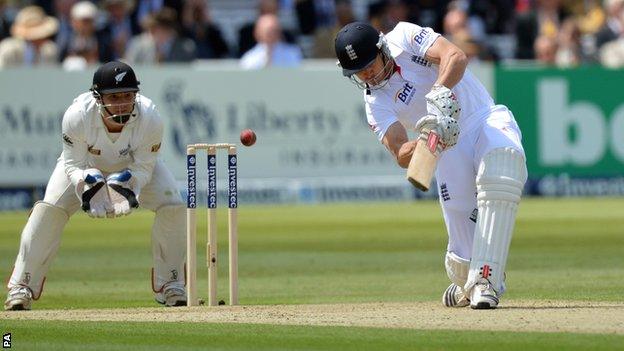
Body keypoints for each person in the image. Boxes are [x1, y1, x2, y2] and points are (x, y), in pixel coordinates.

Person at [334, 22, 527, 309]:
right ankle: (464, 281)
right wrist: (425, 139)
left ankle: (485, 281)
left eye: (369, 65)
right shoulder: (374, 102)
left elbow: (455, 56)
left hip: (481, 116)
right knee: (462, 257)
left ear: (381, 49)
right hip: (445, 145)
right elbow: (400, 153)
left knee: (502, 166)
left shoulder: (404, 36)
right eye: (358, 72)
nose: (367, 75)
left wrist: (439, 94)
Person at [4, 61, 187, 310]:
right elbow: (71, 165)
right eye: (114, 97)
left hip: (131, 168)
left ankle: (172, 283)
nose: (122, 103)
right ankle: (21, 287)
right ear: (98, 97)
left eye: (127, 95)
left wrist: (129, 184)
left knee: (173, 205)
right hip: (83, 167)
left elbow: (145, 167)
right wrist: (85, 183)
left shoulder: (150, 117)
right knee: (48, 211)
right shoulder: (78, 115)